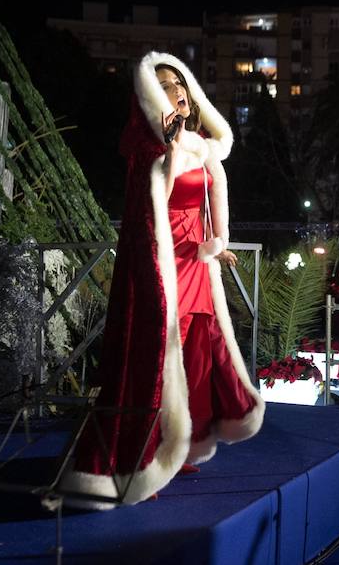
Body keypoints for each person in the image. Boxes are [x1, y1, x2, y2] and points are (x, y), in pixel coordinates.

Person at [57, 51, 264, 509]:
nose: (177, 91)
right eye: (166, 84)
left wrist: (217, 243)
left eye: (181, 83)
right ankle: (138, 458)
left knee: (195, 350)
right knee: (154, 353)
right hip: (162, 255)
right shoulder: (149, 146)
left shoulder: (204, 145)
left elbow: (210, 202)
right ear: (151, 96)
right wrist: (170, 148)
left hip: (197, 259)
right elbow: (157, 201)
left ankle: (180, 444)